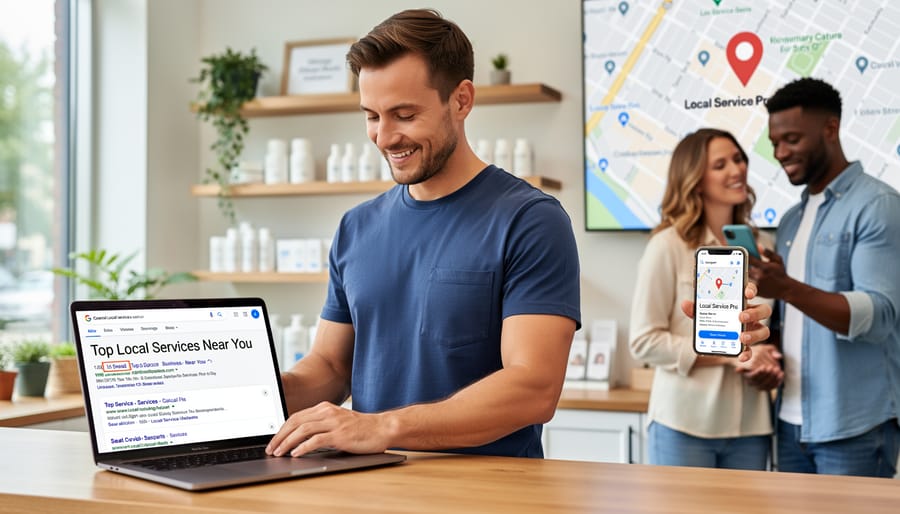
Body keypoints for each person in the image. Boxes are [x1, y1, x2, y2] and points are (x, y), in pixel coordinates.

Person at [265, 9, 582, 459]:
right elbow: (332, 366)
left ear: (462, 100)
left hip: (489, 495)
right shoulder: (357, 226)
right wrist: (255, 395)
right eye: (372, 116)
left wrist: (383, 427)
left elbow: (533, 387)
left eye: (405, 114)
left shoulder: (530, 220)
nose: (385, 137)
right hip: (368, 488)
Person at [751, 77, 900, 477]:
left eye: (793, 139)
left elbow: (881, 313)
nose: (780, 153)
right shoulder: (790, 221)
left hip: (855, 428)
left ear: (831, 130)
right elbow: (794, 321)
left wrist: (786, 287)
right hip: (789, 423)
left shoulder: (878, 206)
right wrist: (764, 355)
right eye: (774, 143)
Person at [629, 128, 784, 470]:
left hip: (751, 426)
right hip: (683, 425)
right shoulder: (666, 246)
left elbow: (764, 333)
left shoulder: (763, 249)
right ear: (696, 180)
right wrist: (729, 355)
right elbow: (643, 342)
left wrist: (766, 356)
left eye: (739, 159)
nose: (736, 169)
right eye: (720, 164)